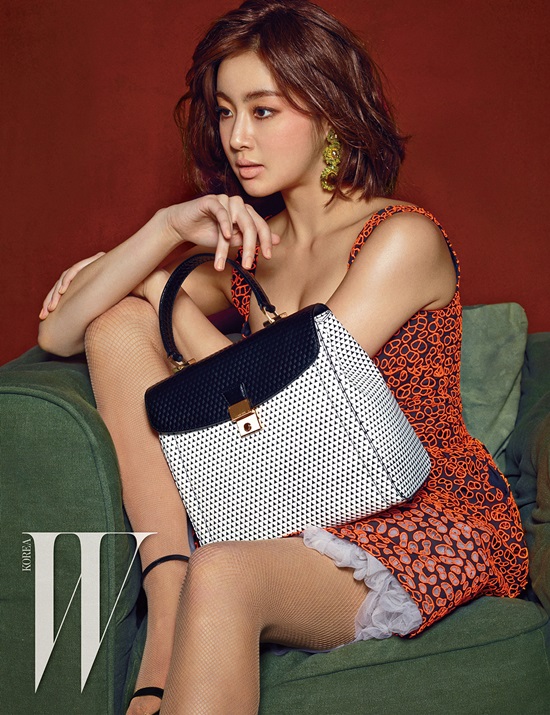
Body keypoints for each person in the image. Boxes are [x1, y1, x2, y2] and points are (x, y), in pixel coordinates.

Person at [37, 1, 529, 713]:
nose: (237, 137)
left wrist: (165, 290)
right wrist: (164, 230)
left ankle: (184, 592)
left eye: (263, 111)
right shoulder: (253, 251)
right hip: (284, 496)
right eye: (225, 112)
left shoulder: (400, 239)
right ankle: (167, 587)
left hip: (414, 512)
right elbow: (61, 333)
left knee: (223, 571)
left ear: (329, 114)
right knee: (118, 323)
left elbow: (300, 413)